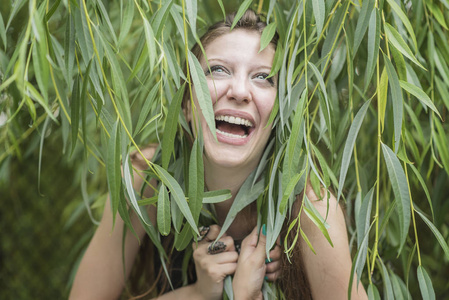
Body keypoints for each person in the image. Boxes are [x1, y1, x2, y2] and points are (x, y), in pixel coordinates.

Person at [69, 10, 368, 300]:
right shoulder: (146, 177)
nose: (239, 91)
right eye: (217, 70)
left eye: (264, 77)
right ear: (186, 105)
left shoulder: (312, 213)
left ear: (281, 116)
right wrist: (198, 294)